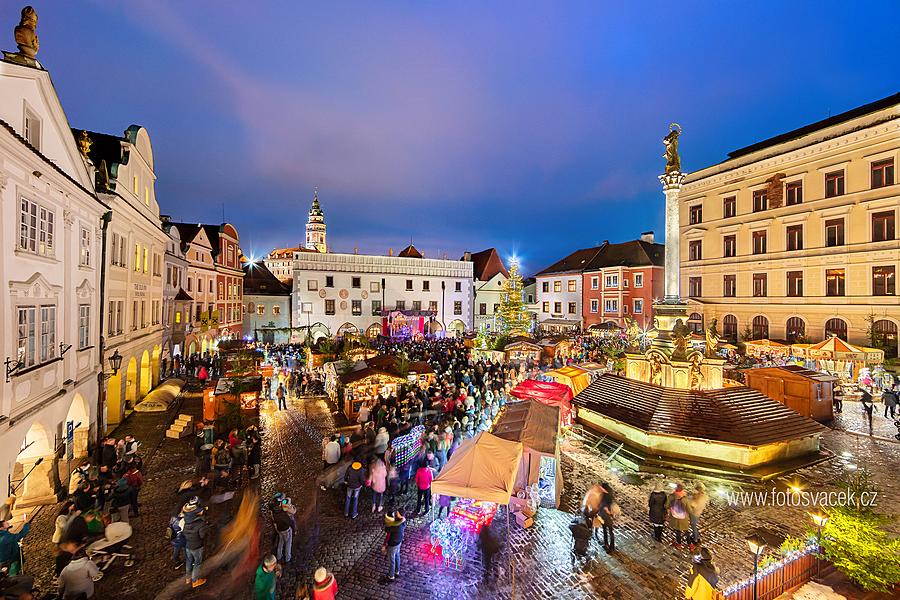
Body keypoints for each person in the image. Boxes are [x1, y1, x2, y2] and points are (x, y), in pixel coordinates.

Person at [181, 498, 209, 588]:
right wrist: (206, 527)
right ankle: (195, 581)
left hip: (188, 545)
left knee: (189, 561)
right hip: (197, 547)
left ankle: (188, 578)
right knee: (197, 563)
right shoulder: (200, 524)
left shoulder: (185, 522)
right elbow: (202, 536)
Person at [382, 509, 407, 582]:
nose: (396, 513)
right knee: (397, 556)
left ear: (400, 515)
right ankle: (397, 571)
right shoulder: (403, 522)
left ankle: (391, 576)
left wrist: (390, 521)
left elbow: (387, 529)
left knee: (391, 560)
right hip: (398, 542)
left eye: (398, 513)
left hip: (393, 544)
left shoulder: (396, 525)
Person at [668, 484, 691, 549]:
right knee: (686, 530)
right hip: (684, 518)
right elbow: (689, 509)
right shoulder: (685, 499)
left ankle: (679, 544)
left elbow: (666, 506)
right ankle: (689, 544)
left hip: (675, 517)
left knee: (678, 531)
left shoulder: (671, 496)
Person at [687, 482, 709, 547]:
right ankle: (697, 536)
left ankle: (695, 539)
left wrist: (690, 500)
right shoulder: (704, 496)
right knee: (694, 524)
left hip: (694, 513)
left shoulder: (697, 497)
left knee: (693, 526)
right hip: (698, 512)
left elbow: (693, 505)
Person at [272, 498, 294, 563]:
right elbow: (290, 522)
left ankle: (279, 556)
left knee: (281, 542)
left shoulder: (274, 513)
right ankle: (288, 558)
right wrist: (294, 529)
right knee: (288, 544)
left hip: (279, 530)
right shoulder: (283, 515)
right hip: (286, 530)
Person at [598, 481, 616, 552]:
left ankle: (608, 545)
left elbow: (602, 504)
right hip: (607, 515)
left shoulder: (605, 496)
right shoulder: (609, 494)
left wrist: (604, 508)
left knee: (606, 530)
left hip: (605, 515)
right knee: (609, 530)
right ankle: (610, 545)